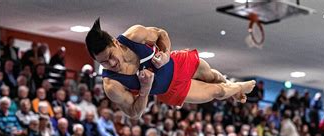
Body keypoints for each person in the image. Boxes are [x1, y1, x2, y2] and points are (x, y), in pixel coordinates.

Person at [85, 19, 255, 119]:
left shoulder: (134, 35)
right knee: (217, 92)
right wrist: (145, 88)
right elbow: (134, 113)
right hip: (171, 89)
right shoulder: (112, 86)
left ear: (115, 42)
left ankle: (233, 90)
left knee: (212, 76)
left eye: (111, 56)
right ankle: (239, 87)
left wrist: (165, 55)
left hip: (177, 62)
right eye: (104, 63)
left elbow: (161, 34)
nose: (111, 64)